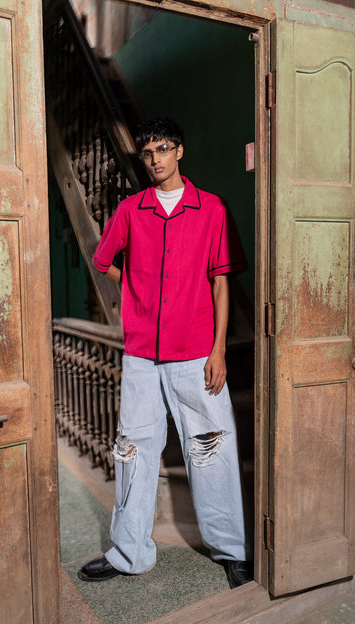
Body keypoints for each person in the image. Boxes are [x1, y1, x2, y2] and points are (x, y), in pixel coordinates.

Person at [78, 117, 252, 588]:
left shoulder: (211, 209)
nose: (154, 159)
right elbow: (103, 261)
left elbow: (221, 283)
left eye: (162, 149)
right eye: (147, 152)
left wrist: (218, 349)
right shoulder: (132, 210)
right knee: (132, 451)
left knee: (211, 449)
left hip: (196, 352)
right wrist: (133, 288)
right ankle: (129, 552)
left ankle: (231, 549)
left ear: (179, 151)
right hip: (141, 355)